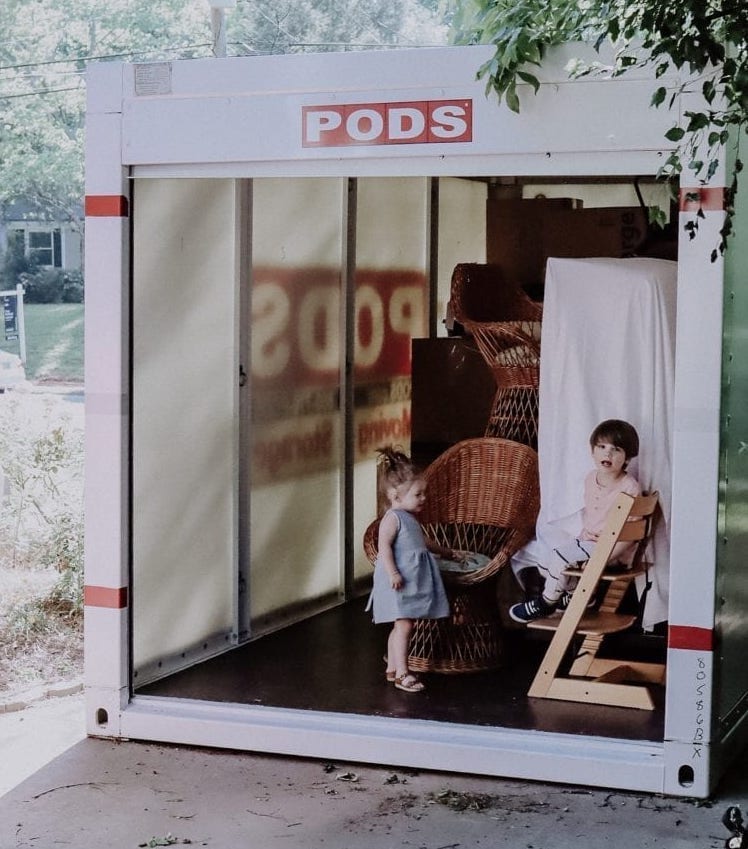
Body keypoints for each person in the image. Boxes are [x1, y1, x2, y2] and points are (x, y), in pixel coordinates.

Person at [509, 419, 642, 624]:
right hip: (588, 541)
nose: (607, 454)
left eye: (616, 449)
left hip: (612, 549)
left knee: (561, 559)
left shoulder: (629, 487)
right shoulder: (591, 478)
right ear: (592, 451)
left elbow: (632, 535)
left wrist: (604, 557)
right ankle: (575, 595)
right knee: (545, 561)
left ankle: (545, 603)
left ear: (627, 457)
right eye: (602, 447)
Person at [366, 445, 453, 693]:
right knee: (404, 625)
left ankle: (392, 668)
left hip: (411, 579)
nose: (423, 498)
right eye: (418, 494)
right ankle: (404, 672)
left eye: (423, 493)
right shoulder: (392, 518)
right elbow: (384, 547)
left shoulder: (409, 519)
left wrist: (445, 552)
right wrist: (393, 572)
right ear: (396, 495)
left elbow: (423, 541)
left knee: (401, 624)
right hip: (399, 579)